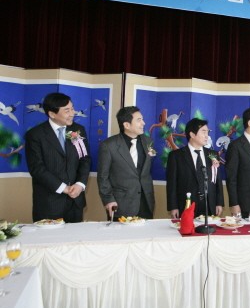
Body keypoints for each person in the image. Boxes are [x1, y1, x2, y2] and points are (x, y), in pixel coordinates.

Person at [25, 92, 91, 222]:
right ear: (52, 114)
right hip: (49, 203)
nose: (72, 113)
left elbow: (84, 159)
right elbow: (37, 169)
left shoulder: (77, 130)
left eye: (72, 108)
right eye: (67, 110)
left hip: (75, 201)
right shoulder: (35, 135)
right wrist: (63, 188)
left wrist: (80, 184)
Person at [97, 106, 155, 219]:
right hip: (121, 204)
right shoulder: (109, 145)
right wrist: (108, 200)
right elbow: (103, 177)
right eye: (139, 120)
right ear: (127, 125)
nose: (143, 123)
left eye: (142, 119)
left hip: (146, 202)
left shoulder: (148, 141)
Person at [166, 118, 224, 219]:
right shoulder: (176, 156)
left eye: (207, 132)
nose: (207, 136)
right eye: (203, 132)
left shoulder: (213, 154)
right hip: (186, 204)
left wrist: (219, 203)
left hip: (209, 204)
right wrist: (173, 207)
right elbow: (172, 184)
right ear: (192, 134)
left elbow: (217, 181)